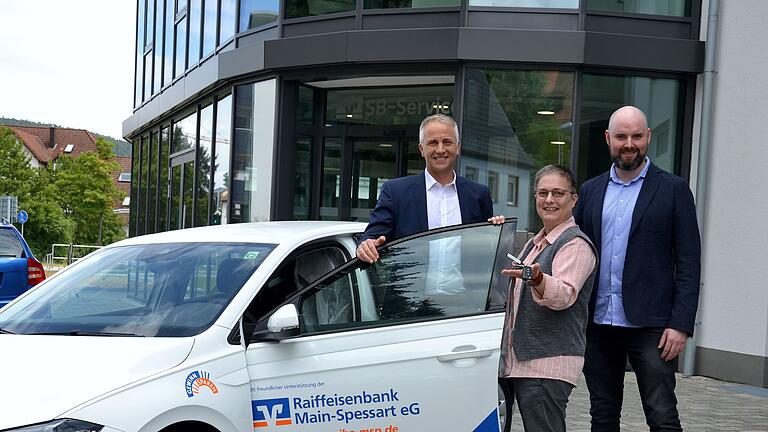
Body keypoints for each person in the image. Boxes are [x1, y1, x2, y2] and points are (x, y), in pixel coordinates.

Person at [573, 105, 701, 432]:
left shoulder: (673, 190)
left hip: (654, 327)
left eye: (636, 136)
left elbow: (689, 261)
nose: (628, 143)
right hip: (599, 324)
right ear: (608, 139)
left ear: (647, 137)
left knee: (661, 416)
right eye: (620, 136)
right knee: (602, 415)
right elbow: (574, 250)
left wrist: (681, 324)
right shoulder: (590, 191)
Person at [499, 164, 598, 432]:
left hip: (547, 365)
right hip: (524, 363)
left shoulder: (575, 244)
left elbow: (564, 294)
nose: (549, 200)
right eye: (543, 193)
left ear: (573, 199)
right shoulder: (536, 243)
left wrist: (539, 279)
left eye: (558, 193)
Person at [356, 113, 502, 263]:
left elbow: (486, 249)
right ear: (421, 149)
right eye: (433, 143)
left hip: (465, 287)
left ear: (457, 147)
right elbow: (371, 237)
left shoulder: (478, 195)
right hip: (411, 286)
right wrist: (366, 245)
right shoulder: (395, 192)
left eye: (447, 142)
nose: (440, 149)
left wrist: (498, 229)